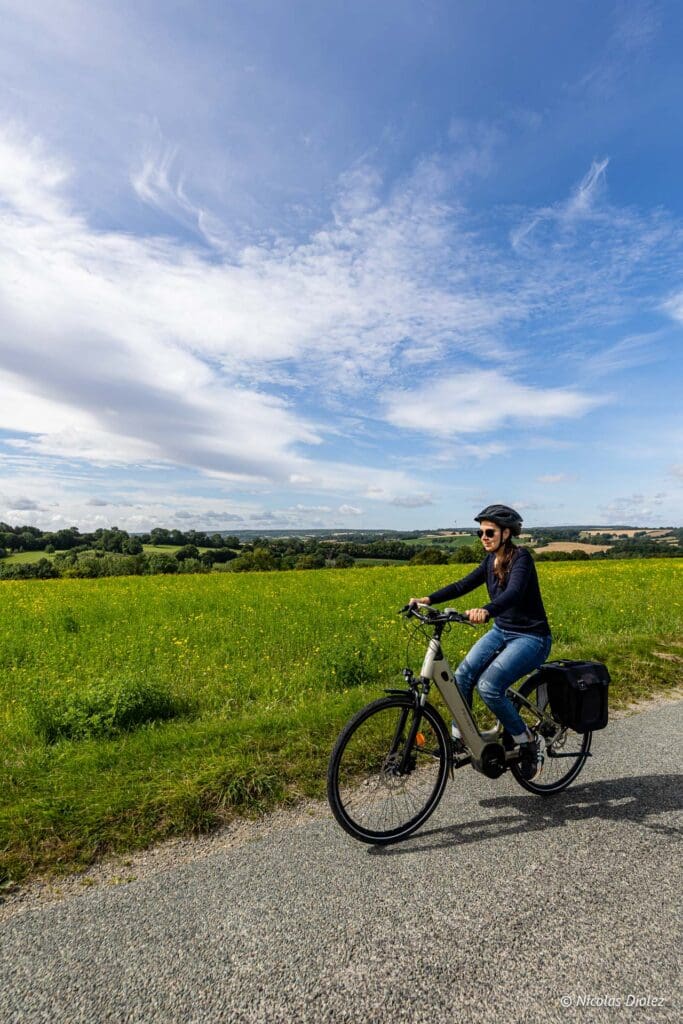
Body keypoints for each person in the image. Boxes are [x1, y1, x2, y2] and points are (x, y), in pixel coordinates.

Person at [409, 504, 552, 780]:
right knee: (461, 675)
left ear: (506, 533)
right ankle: (459, 737)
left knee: (489, 686)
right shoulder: (490, 561)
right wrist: (428, 599)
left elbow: (513, 594)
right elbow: (463, 585)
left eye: (489, 532)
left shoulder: (521, 558)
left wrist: (487, 610)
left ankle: (526, 742)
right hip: (502, 631)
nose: (484, 537)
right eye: (480, 532)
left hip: (531, 637)